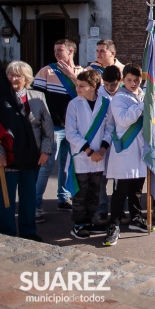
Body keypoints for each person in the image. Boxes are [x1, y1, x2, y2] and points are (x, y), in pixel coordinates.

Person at [0, 61, 52, 240]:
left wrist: (46, 151)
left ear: (27, 78)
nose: (13, 79)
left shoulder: (38, 96)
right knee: (5, 201)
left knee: (28, 200)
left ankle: (28, 233)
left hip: (32, 159)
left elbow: (48, 128)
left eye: (18, 75)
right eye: (10, 74)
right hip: (6, 159)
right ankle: (6, 234)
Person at [33, 39, 84, 222]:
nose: (56, 53)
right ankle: (35, 205)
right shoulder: (46, 71)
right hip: (52, 127)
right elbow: (36, 98)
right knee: (46, 166)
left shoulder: (81, 73)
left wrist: (72, 75)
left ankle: (63, 198)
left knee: (66, 165)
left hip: (72, 128)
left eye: (60, 50)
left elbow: (88, 93)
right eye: (55, 50)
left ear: (71, 51)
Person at [65, 70, 113, 239]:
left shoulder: (106, 103)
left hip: (99, 156)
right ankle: (78, 224)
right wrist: (90, 151)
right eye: (77, 85)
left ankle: (89, 221)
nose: (78, 88)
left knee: (95, 192)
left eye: (81, 86)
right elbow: (71, 133)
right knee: (80, 193)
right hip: (81, 156)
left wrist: (102, 149)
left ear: (93, 86)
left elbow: (110, 128)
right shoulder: (74, 105)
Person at [105, 64, 150, 246]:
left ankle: (136, 217)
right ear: (123, 80)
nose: (133, 83)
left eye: (137, 80)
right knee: (120, 190)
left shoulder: (143, 95)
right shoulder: (119, 98)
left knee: (136, 189)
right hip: (125, 149)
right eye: (130, 80)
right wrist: (141, 107)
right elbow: (123, 120)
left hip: (140, 149)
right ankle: (113, 223)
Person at [95, 65, 122, 225]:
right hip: (102, 141)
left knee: (120, 178)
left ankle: (119, 210)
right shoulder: (98, 95)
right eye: (107, 84)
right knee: (101, 178)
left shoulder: (124, 94)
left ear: (119, 81)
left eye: (113, 84)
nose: (110, 88)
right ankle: (101, 209)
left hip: (120, 141)